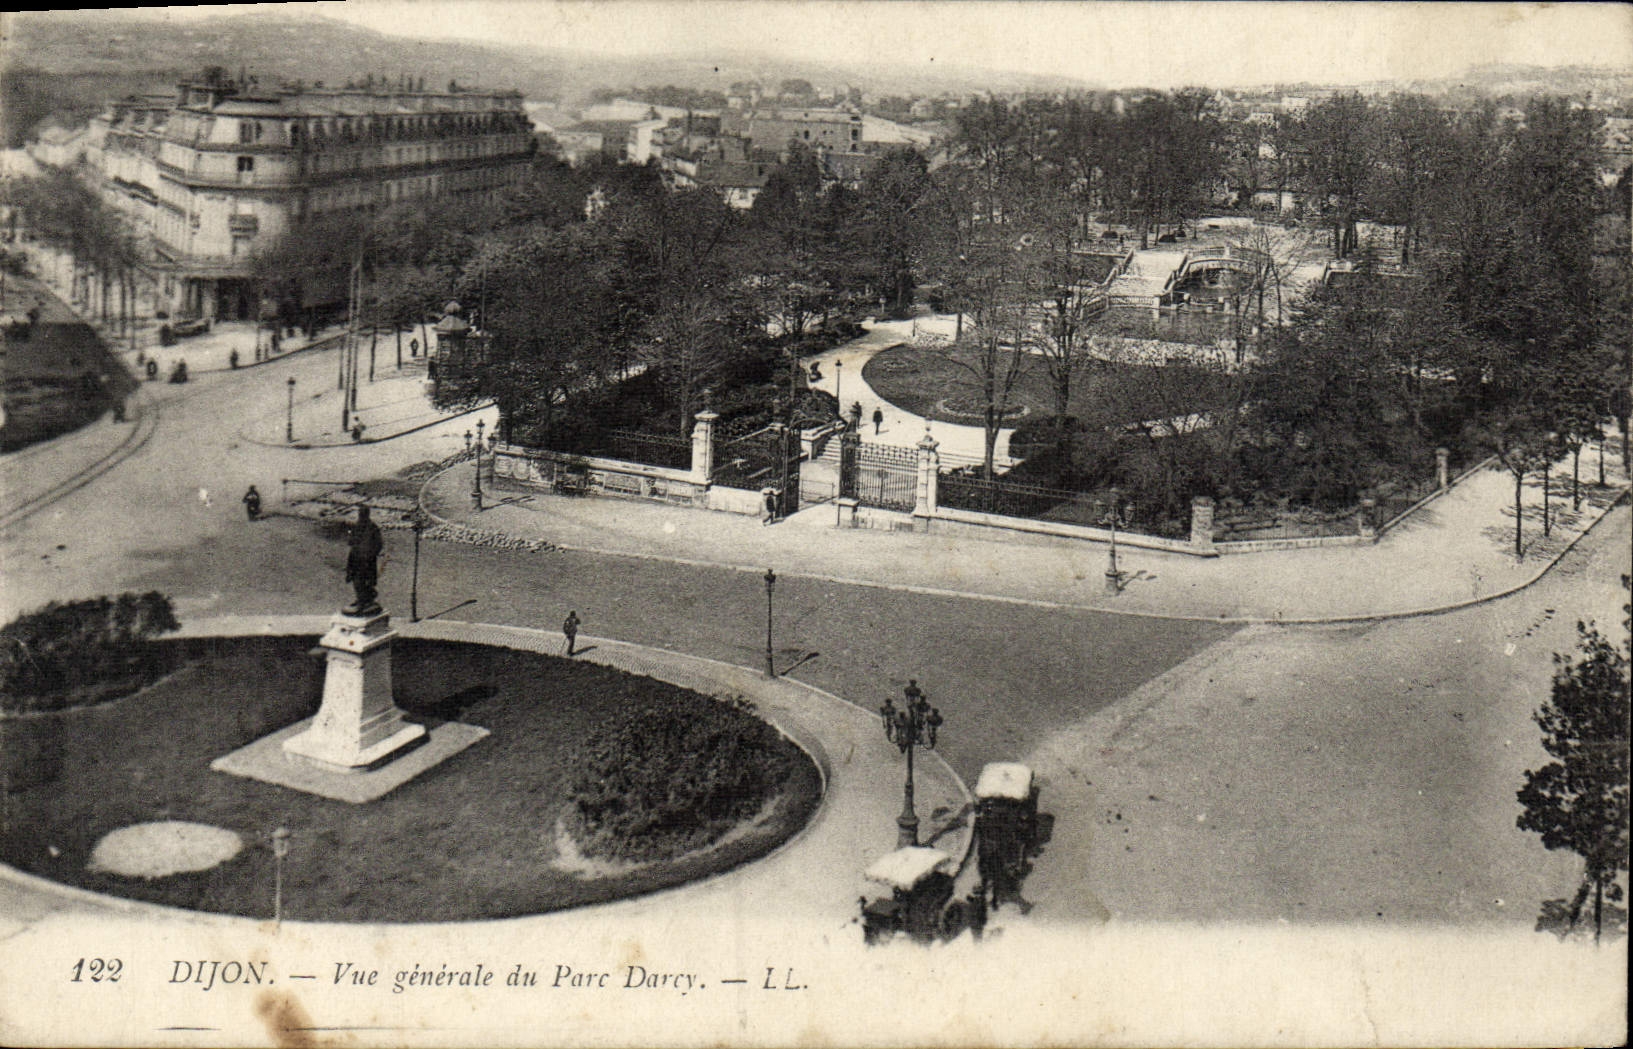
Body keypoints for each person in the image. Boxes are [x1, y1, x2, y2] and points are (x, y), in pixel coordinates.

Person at [343, 505, 384, 616]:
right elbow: (351, 541)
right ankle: (361, 599)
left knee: (365, 581)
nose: (361, 516)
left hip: (367, 561)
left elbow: (379, 544)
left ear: (367, 514)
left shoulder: (373, 528)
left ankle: (366, 601)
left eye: (363, 514)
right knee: (356, 580)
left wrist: (370, 554)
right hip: (356, 559)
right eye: (360, 514)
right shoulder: (357, 526)